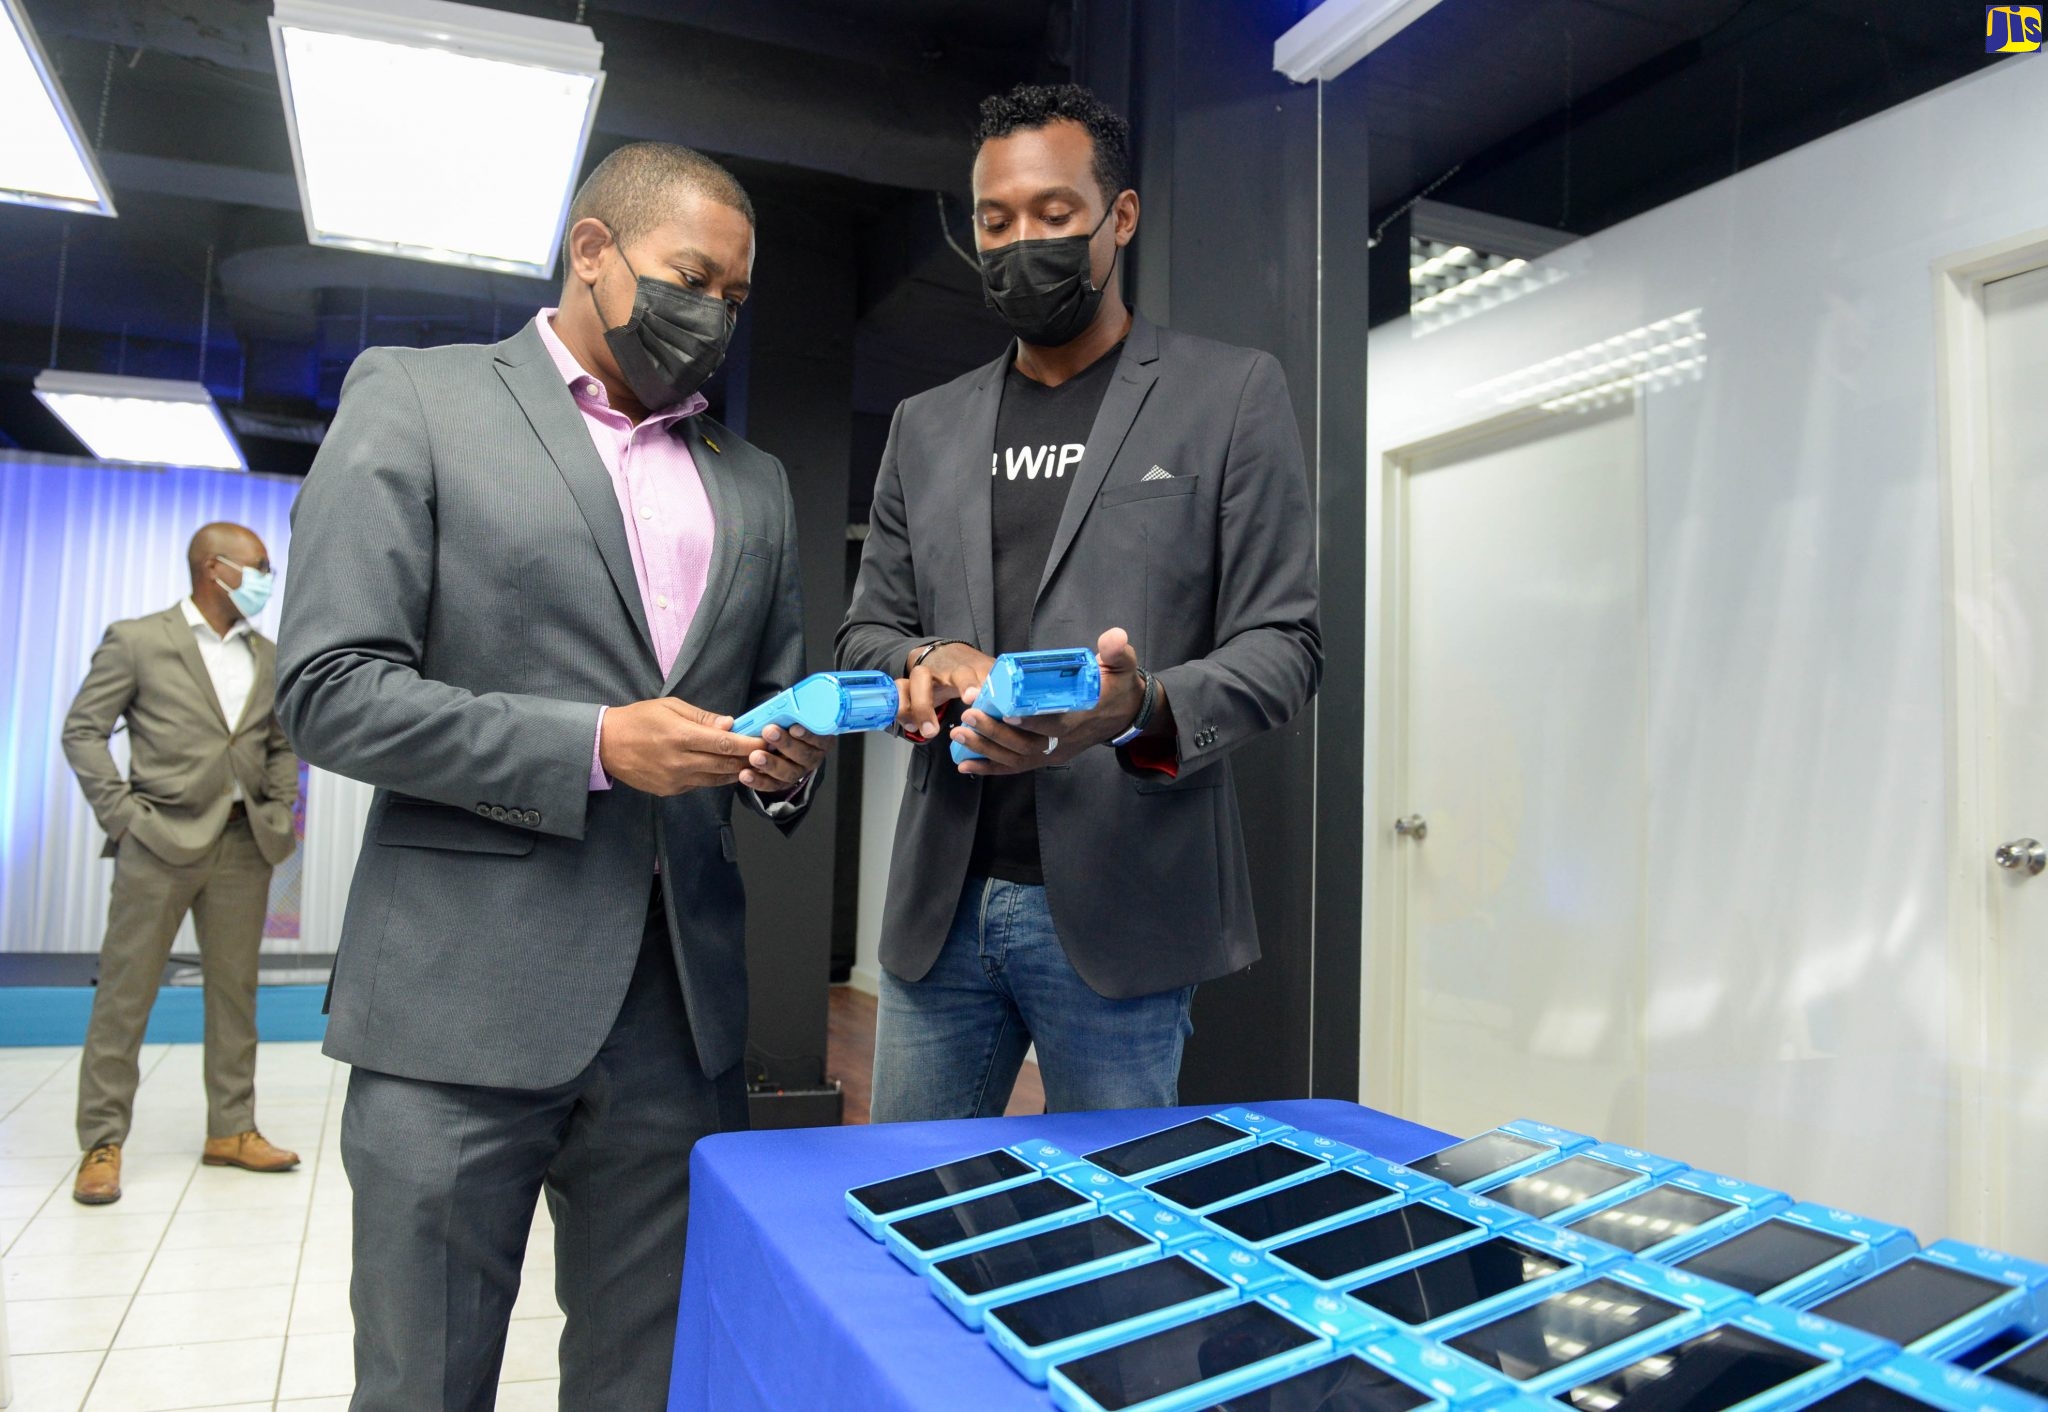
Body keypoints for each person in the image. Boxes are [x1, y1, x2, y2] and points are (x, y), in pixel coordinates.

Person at [276, 142, 826, 1409]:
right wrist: (590, 744)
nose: (716, 318)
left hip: (678, 1019)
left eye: (736, 300)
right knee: (427, 1380)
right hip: (458, 1003)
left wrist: (776, 765)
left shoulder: (754, 484)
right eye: (694, 278)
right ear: (592, 251)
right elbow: (329, 687)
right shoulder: (416, 398)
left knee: (648, 1378)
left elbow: (764, 701)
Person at [838, 84, 1322, 1121]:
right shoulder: (923, 426)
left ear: (1121, 217)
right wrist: (924, 660)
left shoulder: (1228, 394)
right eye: (994, 220)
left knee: (1117, 1248)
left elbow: (1286, 642)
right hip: (941, 901)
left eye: (1054, 215)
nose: (1021, 242)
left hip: (1126, 903)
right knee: (905, 1210)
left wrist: (1136, 708)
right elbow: (867, 628)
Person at [60, 522, 302, 1205]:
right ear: (212, 568)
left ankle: (233, 1128)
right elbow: (83, 731)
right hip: (157, 844)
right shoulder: (139, 640)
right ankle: (101, 1142)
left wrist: (278, 809)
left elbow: (281, 743)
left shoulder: (269, 655)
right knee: (125, 996)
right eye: (256, 568)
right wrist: (123, 817)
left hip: (243, 844)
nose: (265, 580)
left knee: (235, 995)